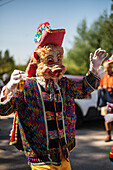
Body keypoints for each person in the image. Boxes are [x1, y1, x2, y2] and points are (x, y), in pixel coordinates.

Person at [0, 22, 108, 170]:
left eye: (59, 59)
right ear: (39, 61)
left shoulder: (63, 84)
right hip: (40, 159)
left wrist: (94, 69)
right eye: (51, 61)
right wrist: (9, 88)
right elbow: (4, 109)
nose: (57, 65)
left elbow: (83, 89)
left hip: (64, 156)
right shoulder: (27, 86)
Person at [98, 57, 113, 142]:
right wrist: (101, 88)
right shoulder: (103, 77)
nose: (107, 69)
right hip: (105, 101)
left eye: (108, 68)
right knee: (107, 118)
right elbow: (100, 86)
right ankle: (108, 135)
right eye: (105, 68)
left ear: (111, 68)